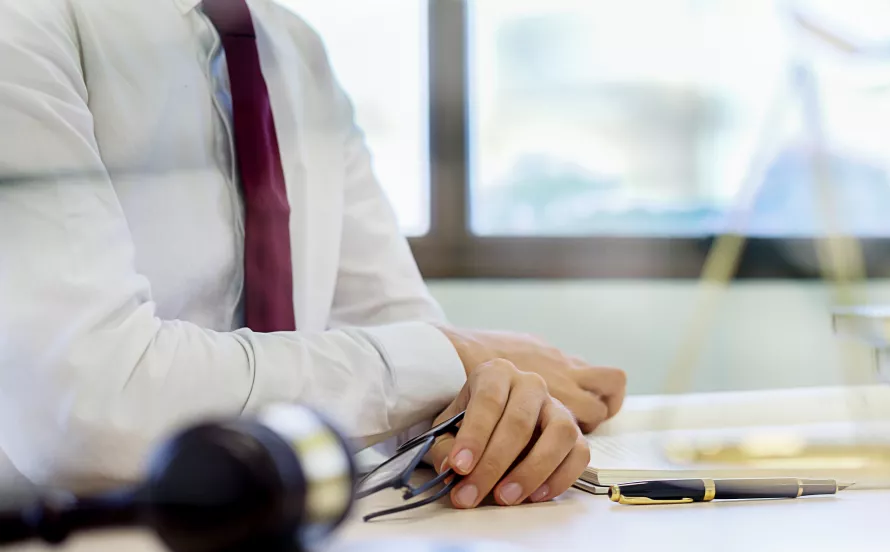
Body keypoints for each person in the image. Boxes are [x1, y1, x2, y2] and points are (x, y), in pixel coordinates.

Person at [0, 0, 626, 509]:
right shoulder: (25, 26)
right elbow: (85, 406)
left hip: (293, 540)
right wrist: (449, 358)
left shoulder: (294, 48)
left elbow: (393, 331)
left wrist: (483, 412)